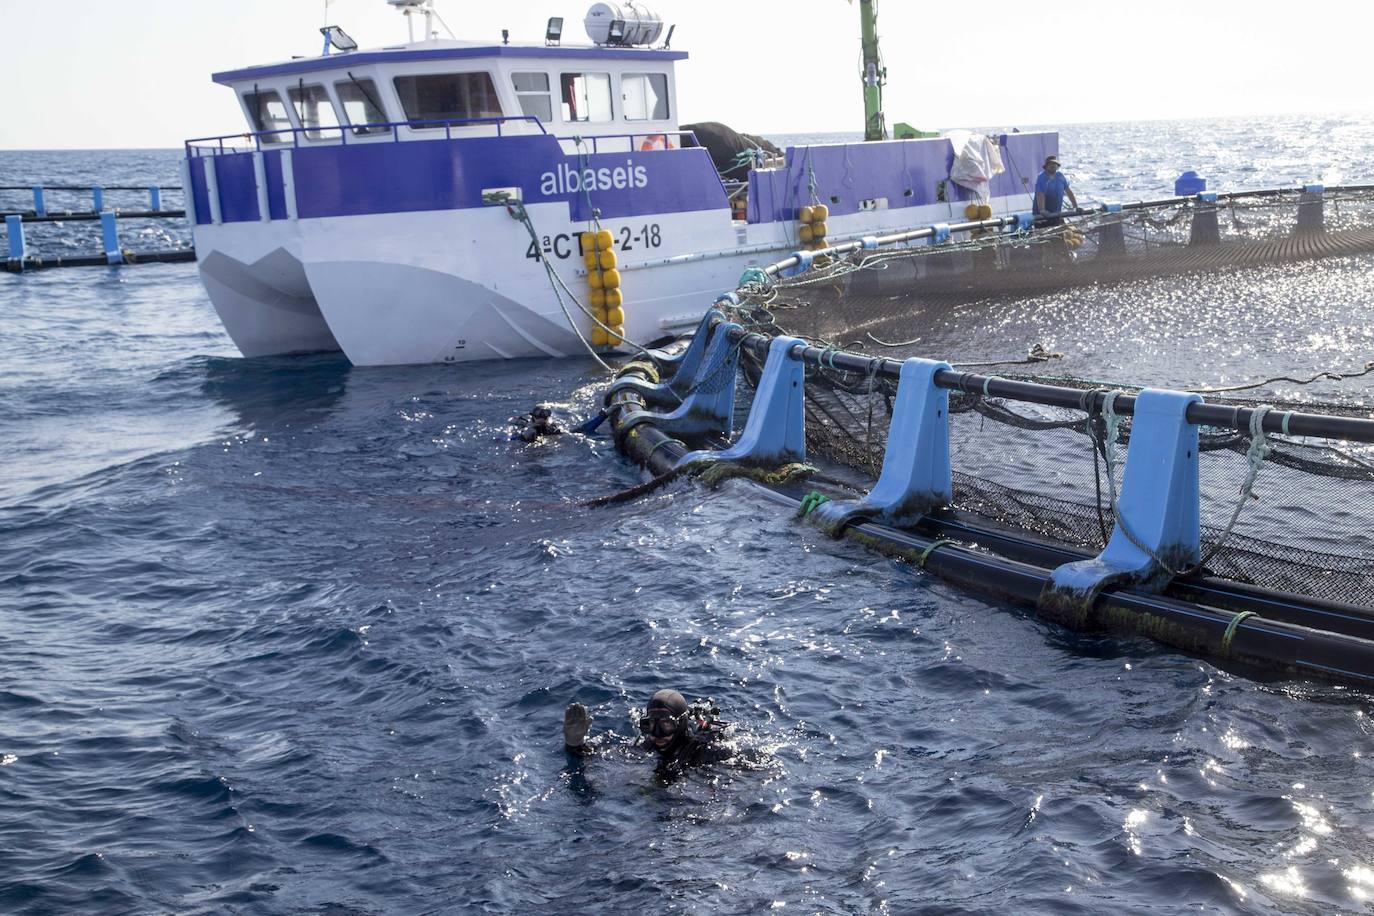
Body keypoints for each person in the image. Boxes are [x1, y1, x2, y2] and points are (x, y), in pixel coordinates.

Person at [563, 689, 733, 773]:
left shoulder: (706, 753)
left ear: (681, 724)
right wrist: (575, 743)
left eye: (666, 724)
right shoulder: (646, 747)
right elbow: (596, 757)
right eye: (650, 724)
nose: (657, 734)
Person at [1034, 155, 1078, 224]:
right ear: (1046, 167)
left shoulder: (1060, 176)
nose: (1052, 166)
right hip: (1042, 217)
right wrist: (1042, 210)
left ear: (1057, 166)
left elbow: (1068, 191)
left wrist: (1075, 206)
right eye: (1050, 164)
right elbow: (1040, 194)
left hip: (1056, 214)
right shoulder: (1041, 177)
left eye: (1054, 164)